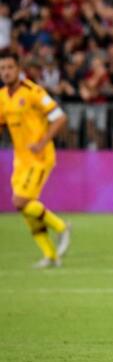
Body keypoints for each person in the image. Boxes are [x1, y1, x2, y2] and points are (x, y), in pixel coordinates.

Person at [0, 49, 71, 268]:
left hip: (40, 156)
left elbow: (59, 118)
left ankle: (61, 227)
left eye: (10, 67)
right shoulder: (2, 97)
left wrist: (42, 142)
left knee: (20, 201)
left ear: (18, 69)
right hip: (20, 160)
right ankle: (50, 255)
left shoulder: (33, 91)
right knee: (25, 208)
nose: (5, 72)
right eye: (2, 68)